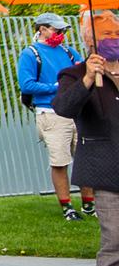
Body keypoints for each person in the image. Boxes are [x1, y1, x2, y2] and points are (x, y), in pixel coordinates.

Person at [52, 10, 119, 266]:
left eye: (115, 30)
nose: (112, 37)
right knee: (116, 243)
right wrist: (90, 80)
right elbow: (63, 107)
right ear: (88, 39)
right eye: (104, 33)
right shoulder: (74, 73)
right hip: (106, 170)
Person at [20, 14, 94, 219]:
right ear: (42, 29)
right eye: (56, 30)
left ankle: (89, 203)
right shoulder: (30, 54)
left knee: (85, 157)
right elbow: (27, 84)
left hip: (77, 112)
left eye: (63, 31)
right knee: (60, 160)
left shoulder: (69, 52)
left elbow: (84, 72)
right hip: (51, 112)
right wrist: (56, 87)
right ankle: (67, 206)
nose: (61, 35)